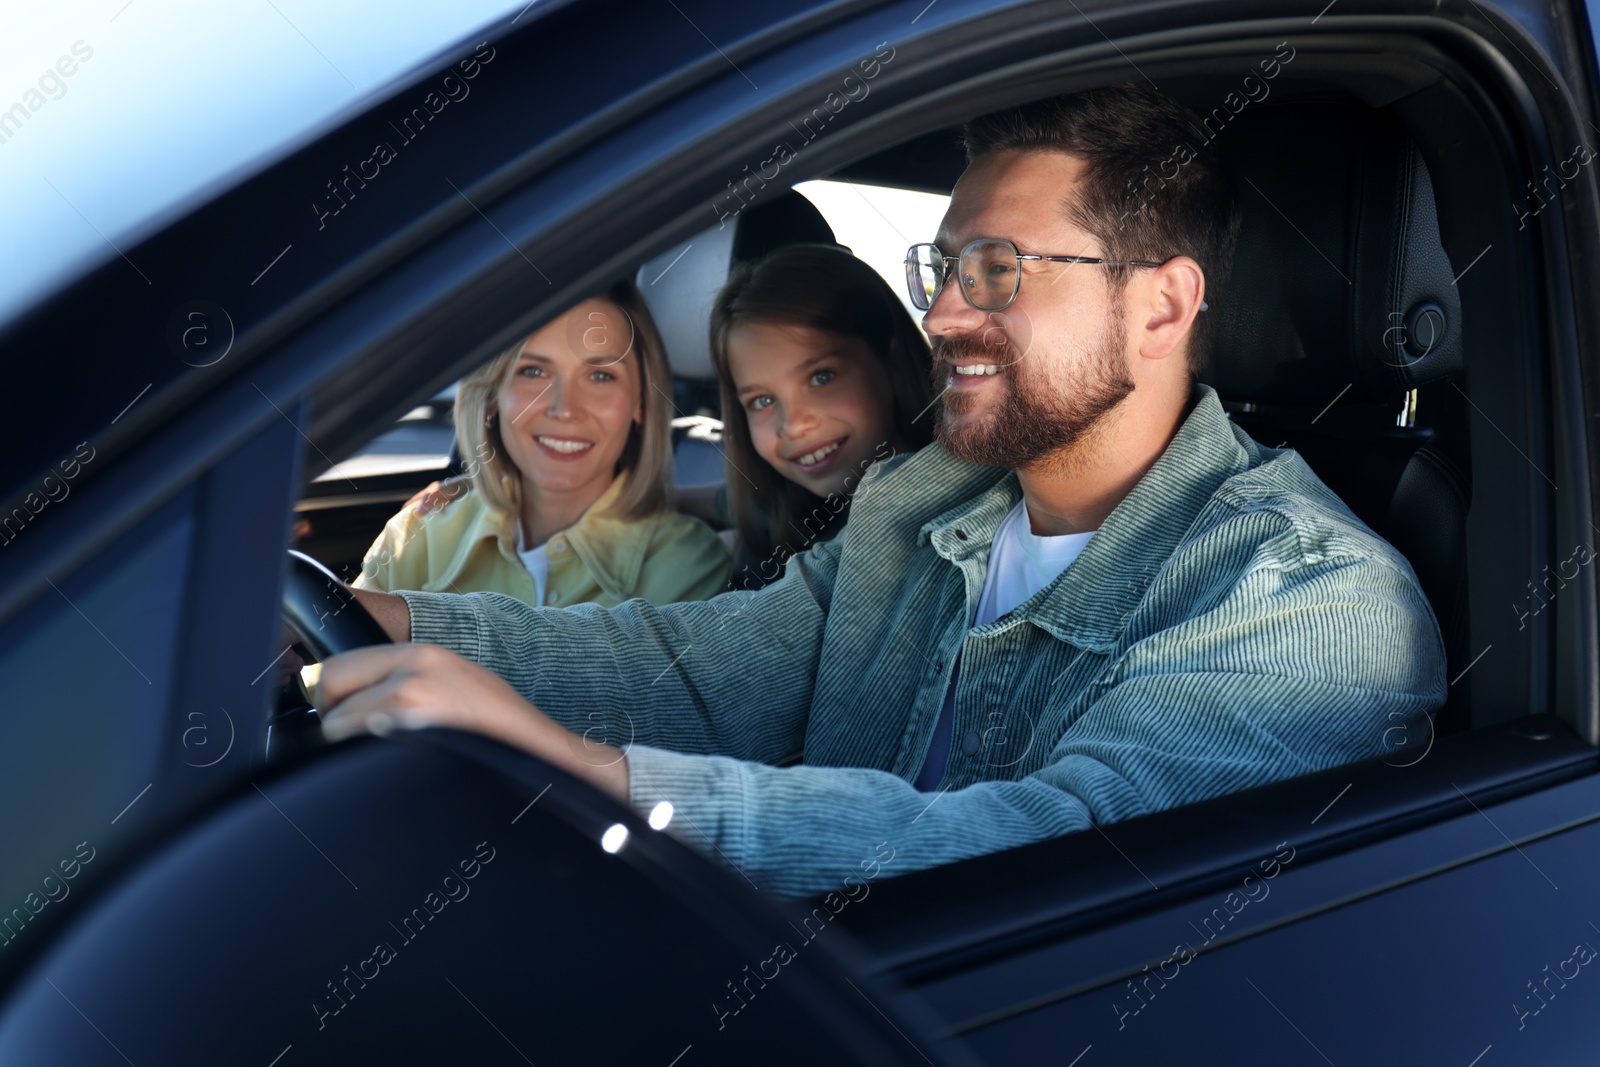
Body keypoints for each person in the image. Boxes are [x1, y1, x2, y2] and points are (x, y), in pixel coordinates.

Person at [314, 85, 1446, 898]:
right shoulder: (925, 501)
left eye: (997, 269)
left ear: (1159, 306)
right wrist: (382, 622)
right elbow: (707, 673)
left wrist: (594, 778)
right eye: (942, 267)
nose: (943, 313)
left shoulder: (1312, 602)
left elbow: (1045, 853)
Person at [352, 280, 731, 609]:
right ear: (490, 398)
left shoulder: (685, 564)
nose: (564, 409)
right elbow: (327, 678)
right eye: (533, 371)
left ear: (641, 403)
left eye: (600, 375)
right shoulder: (418, 536)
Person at [707, 243, 933, 588]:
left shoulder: (937, 524)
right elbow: (739, 502)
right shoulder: (788, 503)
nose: (794, 425)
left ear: (891, 364)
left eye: (821, 377)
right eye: (763, 400)